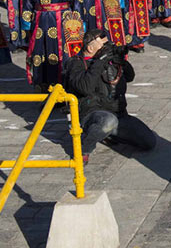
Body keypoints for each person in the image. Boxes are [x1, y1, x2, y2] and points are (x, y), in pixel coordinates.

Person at [64, 29, 156, 164]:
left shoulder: (108, 60)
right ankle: (83, 149)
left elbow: (130, 77)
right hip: (91, 113)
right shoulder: (76, 63)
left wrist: (121, 61)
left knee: (149, 141)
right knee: (108, 121)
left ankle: (109, 135)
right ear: (90, 48)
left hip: (118, 114)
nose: (106, 49)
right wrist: (100, 61)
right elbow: (85, 87)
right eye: (103, 46)